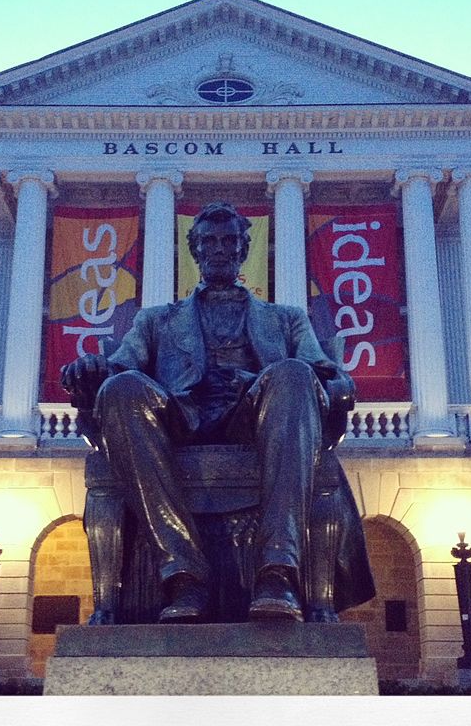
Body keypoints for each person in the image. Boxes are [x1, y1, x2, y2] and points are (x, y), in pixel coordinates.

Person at [61, 202, 372, 623]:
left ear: (244, 250)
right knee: (121, 389)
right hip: (179, 420)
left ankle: (277, 572)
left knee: (294, 375)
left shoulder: (286, 319)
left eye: (230, 241)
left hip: (256, 420)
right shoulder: (157, 320)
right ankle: (184, 574)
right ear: (196, 252)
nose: (219, 249)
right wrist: (93, 369)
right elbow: (121, 367)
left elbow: (330, 378)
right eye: (209, 241)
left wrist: (277, 382)